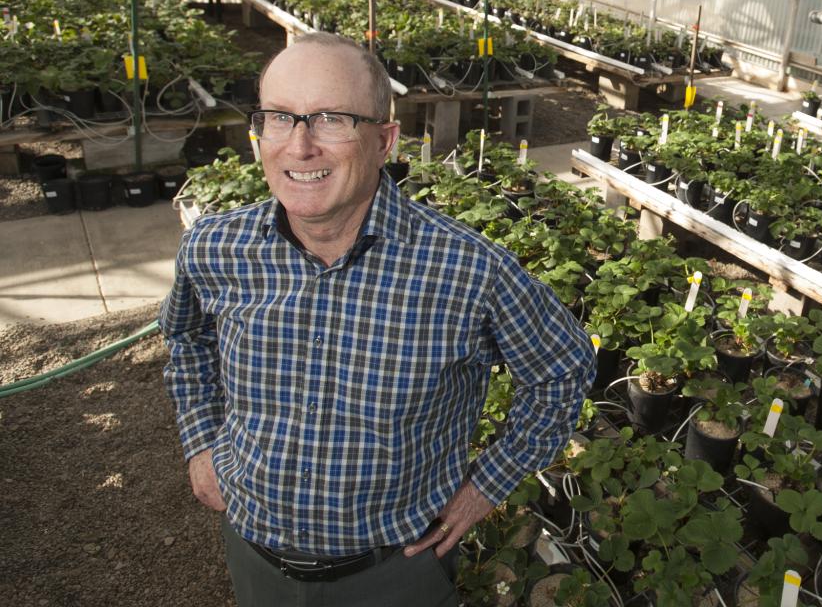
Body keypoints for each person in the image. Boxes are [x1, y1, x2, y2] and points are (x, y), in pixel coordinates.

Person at [159, 31, 595, 606]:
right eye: (280, 118)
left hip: (395, 574)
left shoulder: (466, 270)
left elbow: (562, 369)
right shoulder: (217, 247)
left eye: (331, 119)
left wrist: (483, 489)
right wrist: (201, 441)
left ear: (385, 140)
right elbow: (186, 339)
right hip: (254, 556)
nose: (300, 146)